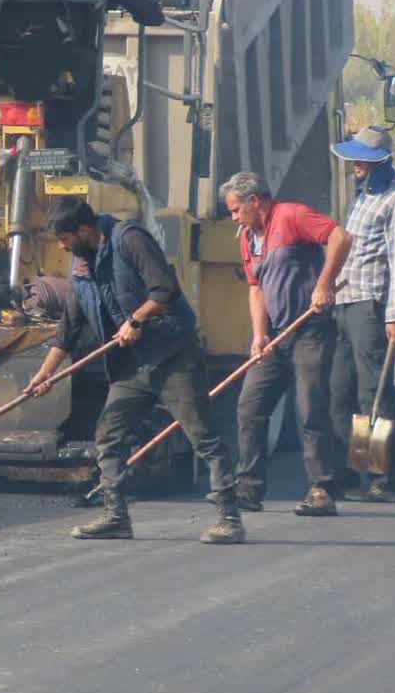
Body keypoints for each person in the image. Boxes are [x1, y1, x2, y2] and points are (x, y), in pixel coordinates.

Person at [25, 197, 246, 545]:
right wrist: (45, 375)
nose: (63, 246)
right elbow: (67, 331)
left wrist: (137, 318)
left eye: (66, 239)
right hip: (131, 368)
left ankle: (229, 518)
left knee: (203, 436)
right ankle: (116, 517)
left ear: (84, 229)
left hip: (172, 356)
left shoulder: (129, 239)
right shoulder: (81, 268)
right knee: (108, 436)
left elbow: (165, 290)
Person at [222, 171, 351, 517]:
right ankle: (247, 488)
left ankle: (322, 489)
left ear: (255, 201)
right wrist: (259, 335)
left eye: (236, 210)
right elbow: (255, 288)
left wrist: (325, 284)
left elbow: (340, 237)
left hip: (310, 328)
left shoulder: (292, 215)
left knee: (309, 408)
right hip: (276, 335)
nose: (234, 217)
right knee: (251, 405)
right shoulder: (248, 238)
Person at [330, 125, 395, 503]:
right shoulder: (362, 197)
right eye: (353, 159)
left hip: (372, 306)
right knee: (341, 392)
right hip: (343, 303)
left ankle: (383, 476)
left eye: (362, 160)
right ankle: (352, 471)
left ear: (380, 162)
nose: (355, 166)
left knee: (375, 395)